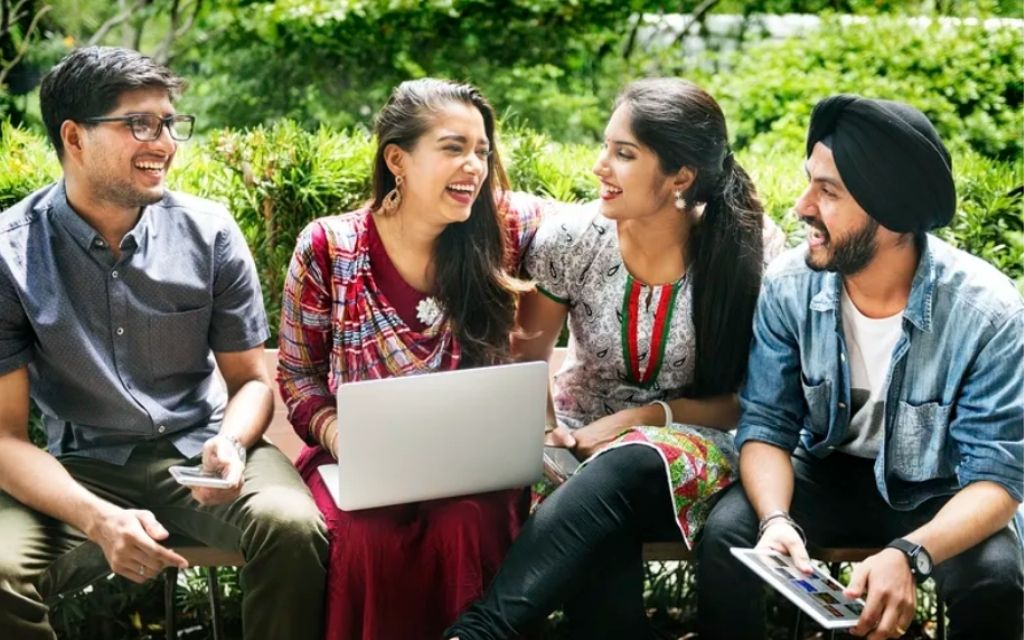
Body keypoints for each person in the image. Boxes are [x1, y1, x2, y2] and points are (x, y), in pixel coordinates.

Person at [0, 46, 328, 639]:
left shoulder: (209, 232)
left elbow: (252, 381)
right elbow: (4, 436)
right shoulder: (10, 255)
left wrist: (231, 442)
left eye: (171, 123)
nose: (165, 142)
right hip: (83, 467)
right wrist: (98, 520)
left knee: (292, 527)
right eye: (140, 124)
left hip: (203, 450)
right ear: (74, 138)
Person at [445, 78, 785, 640]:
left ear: (681, 177)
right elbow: (527, 360)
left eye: (624, 154)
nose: (601, 165)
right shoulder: (572, 240)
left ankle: (483, 631)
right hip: (578, 448)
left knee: (626, 462)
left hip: (697, 446)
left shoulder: (750, 249)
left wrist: (640, 420)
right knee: (590, 528)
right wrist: (550, 432)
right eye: (605, 146)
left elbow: (752, 401)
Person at [697, 95, 1023, 640]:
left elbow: (998, 477)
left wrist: (911, 556)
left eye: (828, 192)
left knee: (994, 577)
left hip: (944, 486)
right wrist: (776, 519)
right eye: (810, 182)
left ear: (894, 216)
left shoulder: (987, 311)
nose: (802, 206)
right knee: (731, 537)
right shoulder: (789, 285)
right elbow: (767, 426)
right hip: (825, 468)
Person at [276, 78, 551, 640]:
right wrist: (342, 438)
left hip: (475, 469)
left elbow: (606, 221)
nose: (474, 165)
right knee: (365, 536)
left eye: (482, 150)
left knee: (467, 524)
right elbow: (299, 377)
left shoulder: (507, 229)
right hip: (358, 464)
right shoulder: (329, 247)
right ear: (397, 159)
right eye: (453, 148)